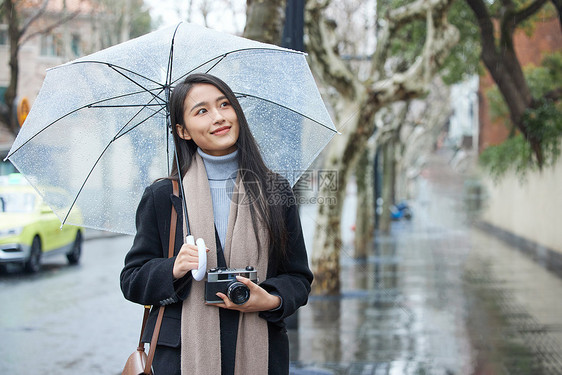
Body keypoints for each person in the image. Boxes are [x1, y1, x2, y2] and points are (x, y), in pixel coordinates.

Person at [120, 73, 313, 375]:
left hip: (260, 351)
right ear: (183, 131)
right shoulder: (163, 195)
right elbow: (131, 279)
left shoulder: (275, 190)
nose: (219, 117)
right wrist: (173, 267)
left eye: (225, 104)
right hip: (183, 357)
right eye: (202, 111)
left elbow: (298, 277)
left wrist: (271, 299)